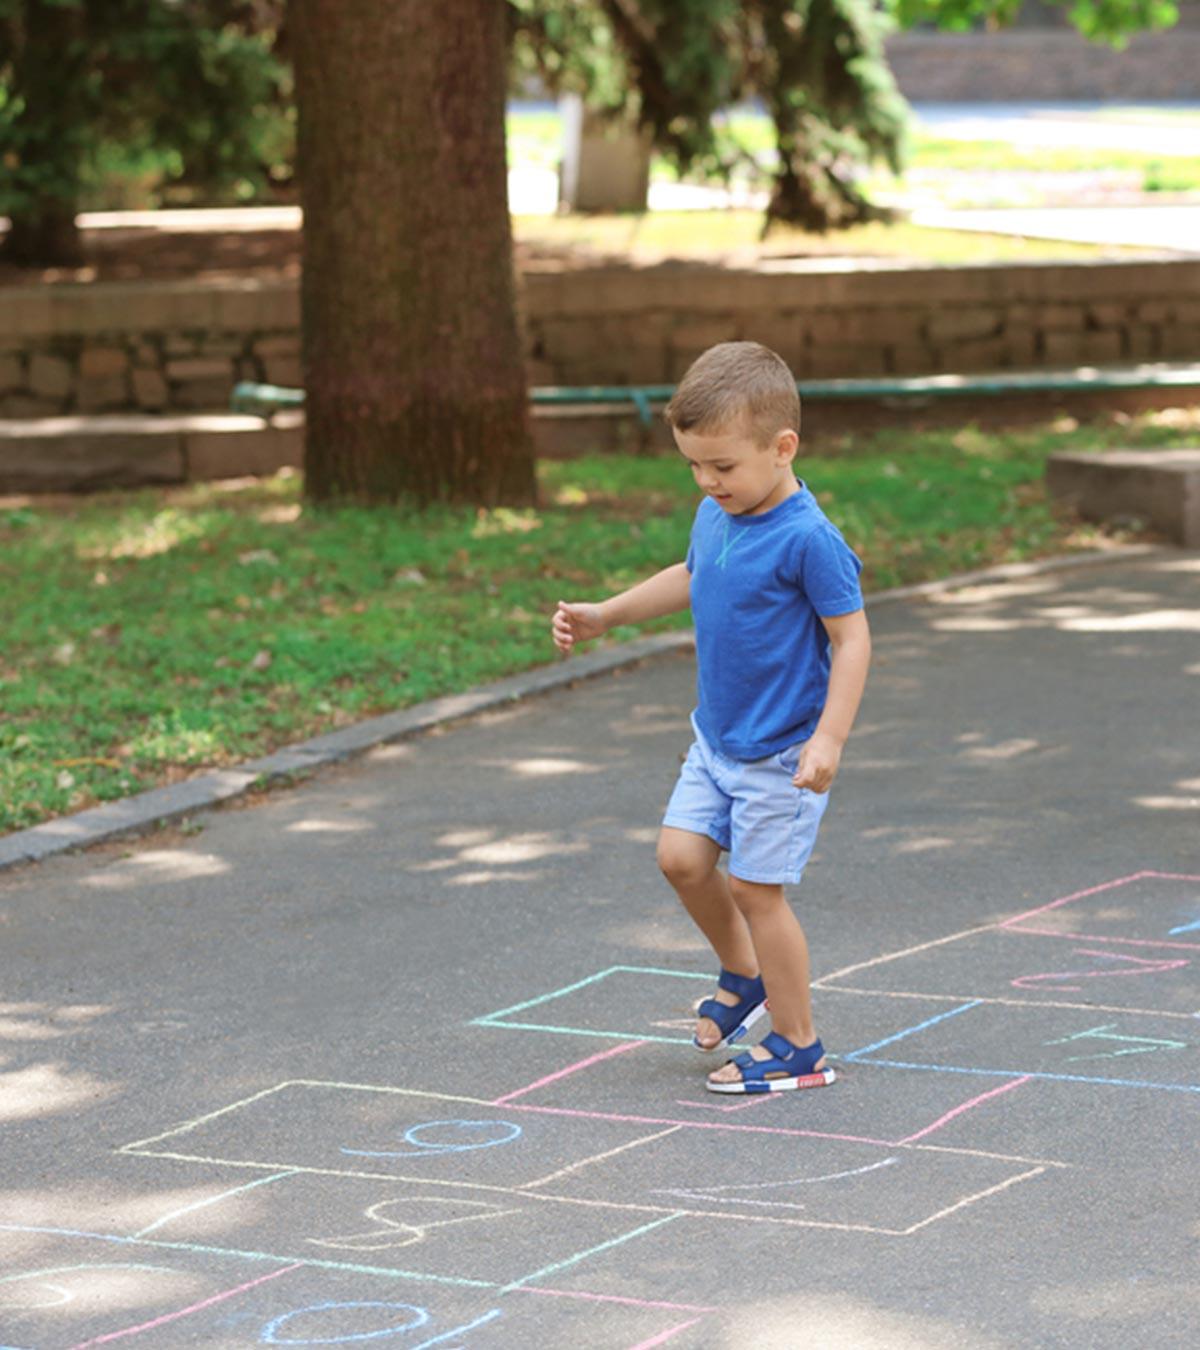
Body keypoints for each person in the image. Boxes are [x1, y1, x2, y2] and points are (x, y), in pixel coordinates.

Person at [551, 341, 871, 1094]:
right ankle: (744, 973)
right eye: (694, 464)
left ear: (781, 447)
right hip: (718, 741)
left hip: (779, 753)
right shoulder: (715, 514)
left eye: (722, 466)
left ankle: (799, 1044)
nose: (707, 479)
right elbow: (692, 576)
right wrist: (609, 614)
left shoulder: (809, 539)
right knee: (682, 860)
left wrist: (829, 738)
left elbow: (852, 639)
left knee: (760, 891)